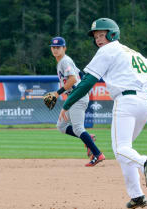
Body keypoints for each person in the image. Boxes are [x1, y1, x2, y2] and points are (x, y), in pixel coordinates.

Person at [58, 18, 147, 209]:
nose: (98, 39)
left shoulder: (107, 50)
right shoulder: (134, 54)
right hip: (145, 104)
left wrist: (67, 104)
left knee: (120, 149)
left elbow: (87, 82)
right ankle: (137, 196)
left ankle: (145, 162)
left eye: (101, 34)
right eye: (96, 36)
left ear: (112, 34)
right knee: (125, 151)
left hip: (126, 101)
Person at [50, 36, 105, 167]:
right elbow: (79, 74)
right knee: (61, 126)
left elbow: (73, 79)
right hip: (73, 97)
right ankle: (88, 138)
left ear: (64, 48)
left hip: (77, 97)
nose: (56, 50)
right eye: (53, 47)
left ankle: (98, 154)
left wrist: (58, 93)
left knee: (78, 128)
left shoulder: (65, 61)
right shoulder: (63, 62)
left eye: (59, 47)